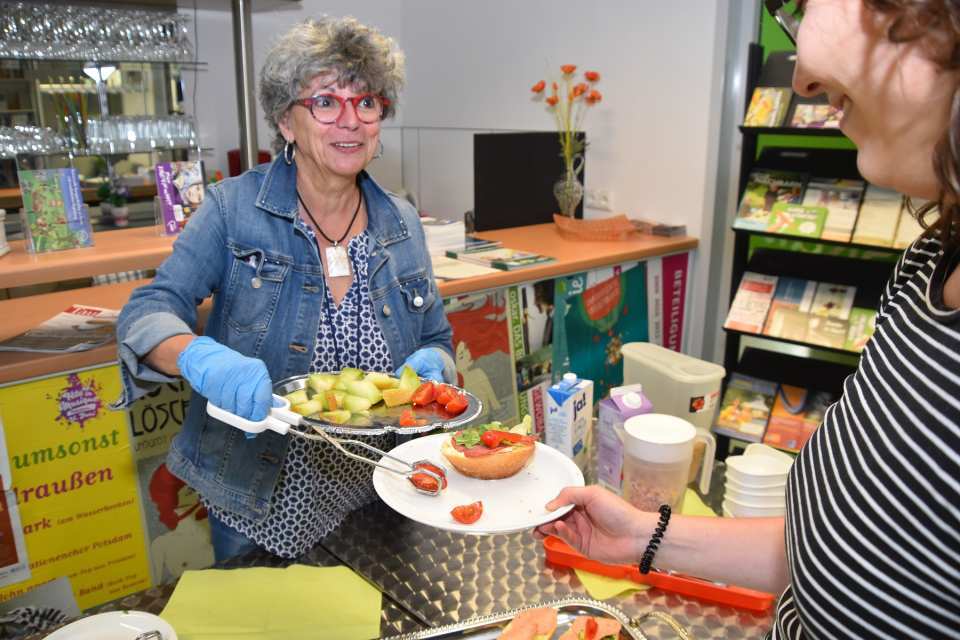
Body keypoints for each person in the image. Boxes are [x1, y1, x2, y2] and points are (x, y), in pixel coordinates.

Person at [538, 2, 960, 638]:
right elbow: (837, 553)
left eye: (808, 4)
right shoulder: (928, 263)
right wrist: (647, 538)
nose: (801, 81)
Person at [116, 16, 455, 562]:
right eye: (325, 102)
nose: (350, 121)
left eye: (366, 102)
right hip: (261, 498)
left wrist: (436, 364)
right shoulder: (232, 211)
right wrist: (198, 356)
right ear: (286, 121)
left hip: (382, 492)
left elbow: (437, 334)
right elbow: (149, 310)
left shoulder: (403, 224)